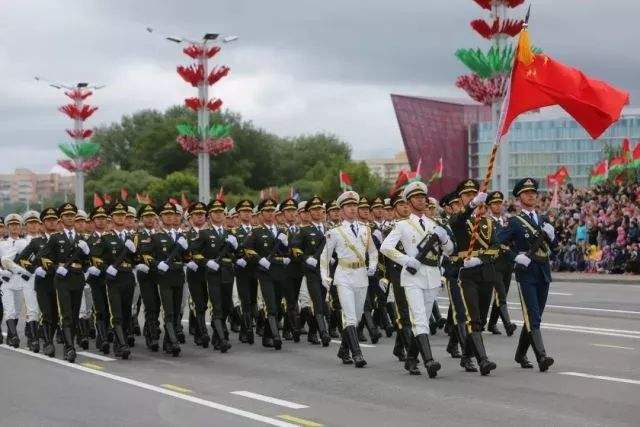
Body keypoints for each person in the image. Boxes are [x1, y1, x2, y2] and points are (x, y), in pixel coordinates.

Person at [381, 181, 453, 378]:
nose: (421, 200)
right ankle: (428, 360)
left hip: (432, 276)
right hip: (412, 277)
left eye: (423, 197)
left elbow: (450, 251)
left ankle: (411, 359)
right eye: (417, 198)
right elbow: (385, 247)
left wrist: (445, 238)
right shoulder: (402, 225)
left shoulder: (434, 225)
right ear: (409, 201)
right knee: (419, 319)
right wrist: (406, 260)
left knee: (424, 322)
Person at [497, 178, 557, 372]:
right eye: (526, 193)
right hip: (526, 274)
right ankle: (542, 356)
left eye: (533, 192)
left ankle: (520, 354)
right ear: (519, 197)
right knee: (533, 315)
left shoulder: (543, 220)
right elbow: (499, 244)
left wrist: (553, 237)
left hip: (543, 272)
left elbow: (551, 248)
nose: (531, 195)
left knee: (535, 316)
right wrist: (515, 257)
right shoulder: (514, 222)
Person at [320, 190, 378, 368]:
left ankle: (344, 350)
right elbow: (325, 256)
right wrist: (325, 277)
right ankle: (357, 354)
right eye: (349, 206)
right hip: (343, 276)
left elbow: (373, 251)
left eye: (355, 205)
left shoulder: (365, 229)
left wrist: (373, 265)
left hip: (361, 275)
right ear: (342, 209)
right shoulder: (335, 232)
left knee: (358, 317)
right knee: (350, 317)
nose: (353, 209)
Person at [40, 203, 92, 363]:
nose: (70, 218)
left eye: (72, 215)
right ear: (61, 219)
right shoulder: (56, 238)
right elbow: (43, 257)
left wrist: (87, 253)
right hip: (62, 279)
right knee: (66, 314)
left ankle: (70, 343)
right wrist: (55, 267)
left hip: (77, 278)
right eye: (66, 215)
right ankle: (69, 348)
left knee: (75, 314)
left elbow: (86, 262)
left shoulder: (82, 239)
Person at [244, 198, 289, 350]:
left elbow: (286, 252)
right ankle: (276, 337)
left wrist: (285, 245)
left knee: (278, 305)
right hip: (265, 273)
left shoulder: (281, 231)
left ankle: (267, 336)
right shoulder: (255, 231)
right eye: (267, 211)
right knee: (271, 306)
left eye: (272, 211)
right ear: (261, 214)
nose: (270, 214)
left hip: (279, 272)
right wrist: (259, 259)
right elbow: (248, 249)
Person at [18, 208, 59, 357]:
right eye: (48, 220)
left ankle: (46, 336)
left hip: (60, 282)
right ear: (43, 224)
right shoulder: (37, 242)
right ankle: (48, 343)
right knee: (45, 314)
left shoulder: (64, 239)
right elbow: (21, 259)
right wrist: (34, 268)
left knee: (56, 316)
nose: (52, 222)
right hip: (42, 283)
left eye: (54, 220)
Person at [291, 196, 331, 347]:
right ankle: (324, 333)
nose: (318, 212)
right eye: (314, 210)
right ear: (308, 213)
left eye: (320, 209)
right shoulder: (304, 231)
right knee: (317, 302)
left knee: (322, 300)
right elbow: (294, 249)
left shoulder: (329, 230)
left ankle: (309, 331)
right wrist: (306, 258)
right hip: (312, 271)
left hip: (325, 272)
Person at [152, 202, 189, 357]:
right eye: (166, 215)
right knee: (168, 311)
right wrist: (157, 264)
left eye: (172, 215)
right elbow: (146, 258)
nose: (170, 217)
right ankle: (173, 342)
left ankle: (168, 341)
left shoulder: (181, 237)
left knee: (176, 310)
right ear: (161, 218)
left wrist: (186, 248)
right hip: (165, 278)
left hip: (178, 277)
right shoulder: (155, 237)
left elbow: (187, 258)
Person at [134, 204, 162, 352]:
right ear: (141, 219)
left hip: (160, 274)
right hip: (145, 275)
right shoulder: (137, 236)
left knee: (157, 304)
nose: (150, 219)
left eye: (152, 216)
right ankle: (152, 336)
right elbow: (133, 255)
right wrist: (138, 263)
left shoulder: (160, 234)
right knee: (150, 304)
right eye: (147, 217)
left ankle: (151, 328)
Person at [183, 202, 211, 349]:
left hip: (209, 272)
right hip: (194, 272)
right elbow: (183, 253)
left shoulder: (211, 233)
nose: (200, 217)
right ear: (190, 217)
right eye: (196, 215)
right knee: (198, 303)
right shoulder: (186, 235)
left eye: (202, 215)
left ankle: (199, 328)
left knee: (205, 303)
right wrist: (188, 262)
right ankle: (202, 332)